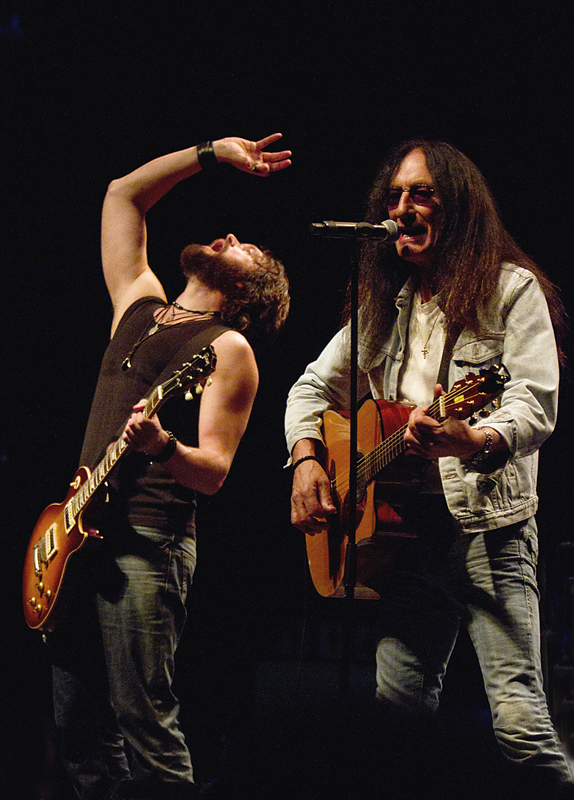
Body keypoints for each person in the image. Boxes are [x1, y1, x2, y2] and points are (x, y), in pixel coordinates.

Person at [285, 140, 574, 797]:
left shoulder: (509, 289)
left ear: (460, 208)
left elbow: (534, 400)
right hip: (406, 539)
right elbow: (310, 389)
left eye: (421, 195)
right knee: (394, 724)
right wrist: (306, 459)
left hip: (487, 532)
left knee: (520, 724)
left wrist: (471, 435)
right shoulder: (386, 305)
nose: (402, 208)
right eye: (393, 198)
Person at [48, 133, 291, 800]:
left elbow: (213, 470)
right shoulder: (140, 303)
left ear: (250, 288)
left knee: (144, 724)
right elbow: (122, 193)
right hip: (78, 539)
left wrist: (161, 447)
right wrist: (212, 153)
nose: (230, 233)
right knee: (78, 726)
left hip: (146, 547)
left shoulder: (229, 347)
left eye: (248, 248)